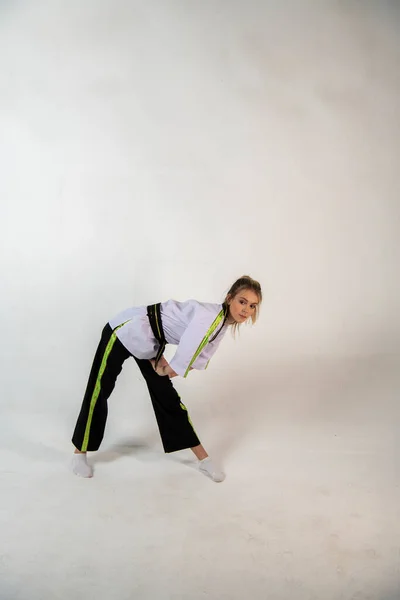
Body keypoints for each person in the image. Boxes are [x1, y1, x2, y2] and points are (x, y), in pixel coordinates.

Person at [71, 275, 262, 482]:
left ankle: (204, 460)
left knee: (168, 398)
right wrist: (169, 368)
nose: (246, 310)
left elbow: (203, 354)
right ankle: (79, 454)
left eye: (252, 306)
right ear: (229, 298)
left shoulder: (222, 324)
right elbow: (192, 344)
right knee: (100, 387)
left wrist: (166, 367)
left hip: (149, 339)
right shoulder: (210, 315)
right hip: (126, 328)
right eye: (242, 302)